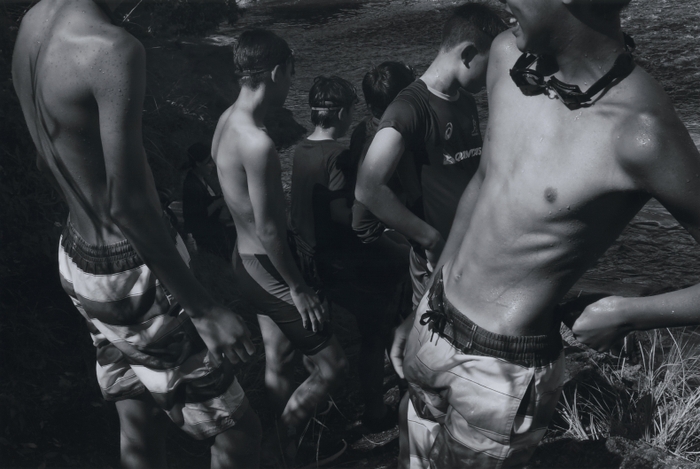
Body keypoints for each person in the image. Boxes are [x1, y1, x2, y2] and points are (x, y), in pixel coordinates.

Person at [389, 0, 700, 467]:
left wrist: (629, 313)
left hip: (500, 371)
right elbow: (485, 181)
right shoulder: (505, 55)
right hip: (434, 318)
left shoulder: (642, 133)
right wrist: (426, 299)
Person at [11, 1, 261, 467]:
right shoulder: (110, 49)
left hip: (78, 257)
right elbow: (128, 206)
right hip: (131, 273)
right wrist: (203, 308)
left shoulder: (33, 24)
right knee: (238, 433)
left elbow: (47, 159)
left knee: (139, 423)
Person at [211, 30, 348, 465]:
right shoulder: (257, 142)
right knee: (332, 365)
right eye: (291, 73)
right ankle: (278, 450)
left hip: (243, 259)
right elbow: (270, 230)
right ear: (276, 72)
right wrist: (298, 287)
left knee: (279, 357)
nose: (291, 83)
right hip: (267, 267)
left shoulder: (226, 120)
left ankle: (287, 446)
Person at [355, 3, 508, 309]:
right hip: (436, 262)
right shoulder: (409, 107)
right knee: (431, 330)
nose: (495, 73)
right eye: (492, 63)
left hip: (472, 252)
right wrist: (429, 239)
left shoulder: (465, 100)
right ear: (467, 55)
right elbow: (368, 187)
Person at [288, 75, 405, 433]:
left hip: (310, 254)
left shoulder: (300, 150)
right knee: (379, 330)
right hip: (340, 257)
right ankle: (380, 410)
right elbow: (341, 213)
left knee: (370, 332)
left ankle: (370, 405)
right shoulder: (336, 155)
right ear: (341, 113)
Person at [182, 141, 236, 259]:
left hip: (212, 226)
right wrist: (219, 201)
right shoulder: (191, 185)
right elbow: (199, 216)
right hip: (204, 235)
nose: (213, 165)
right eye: (209, 162)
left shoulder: (203, 179)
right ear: (198, 163)